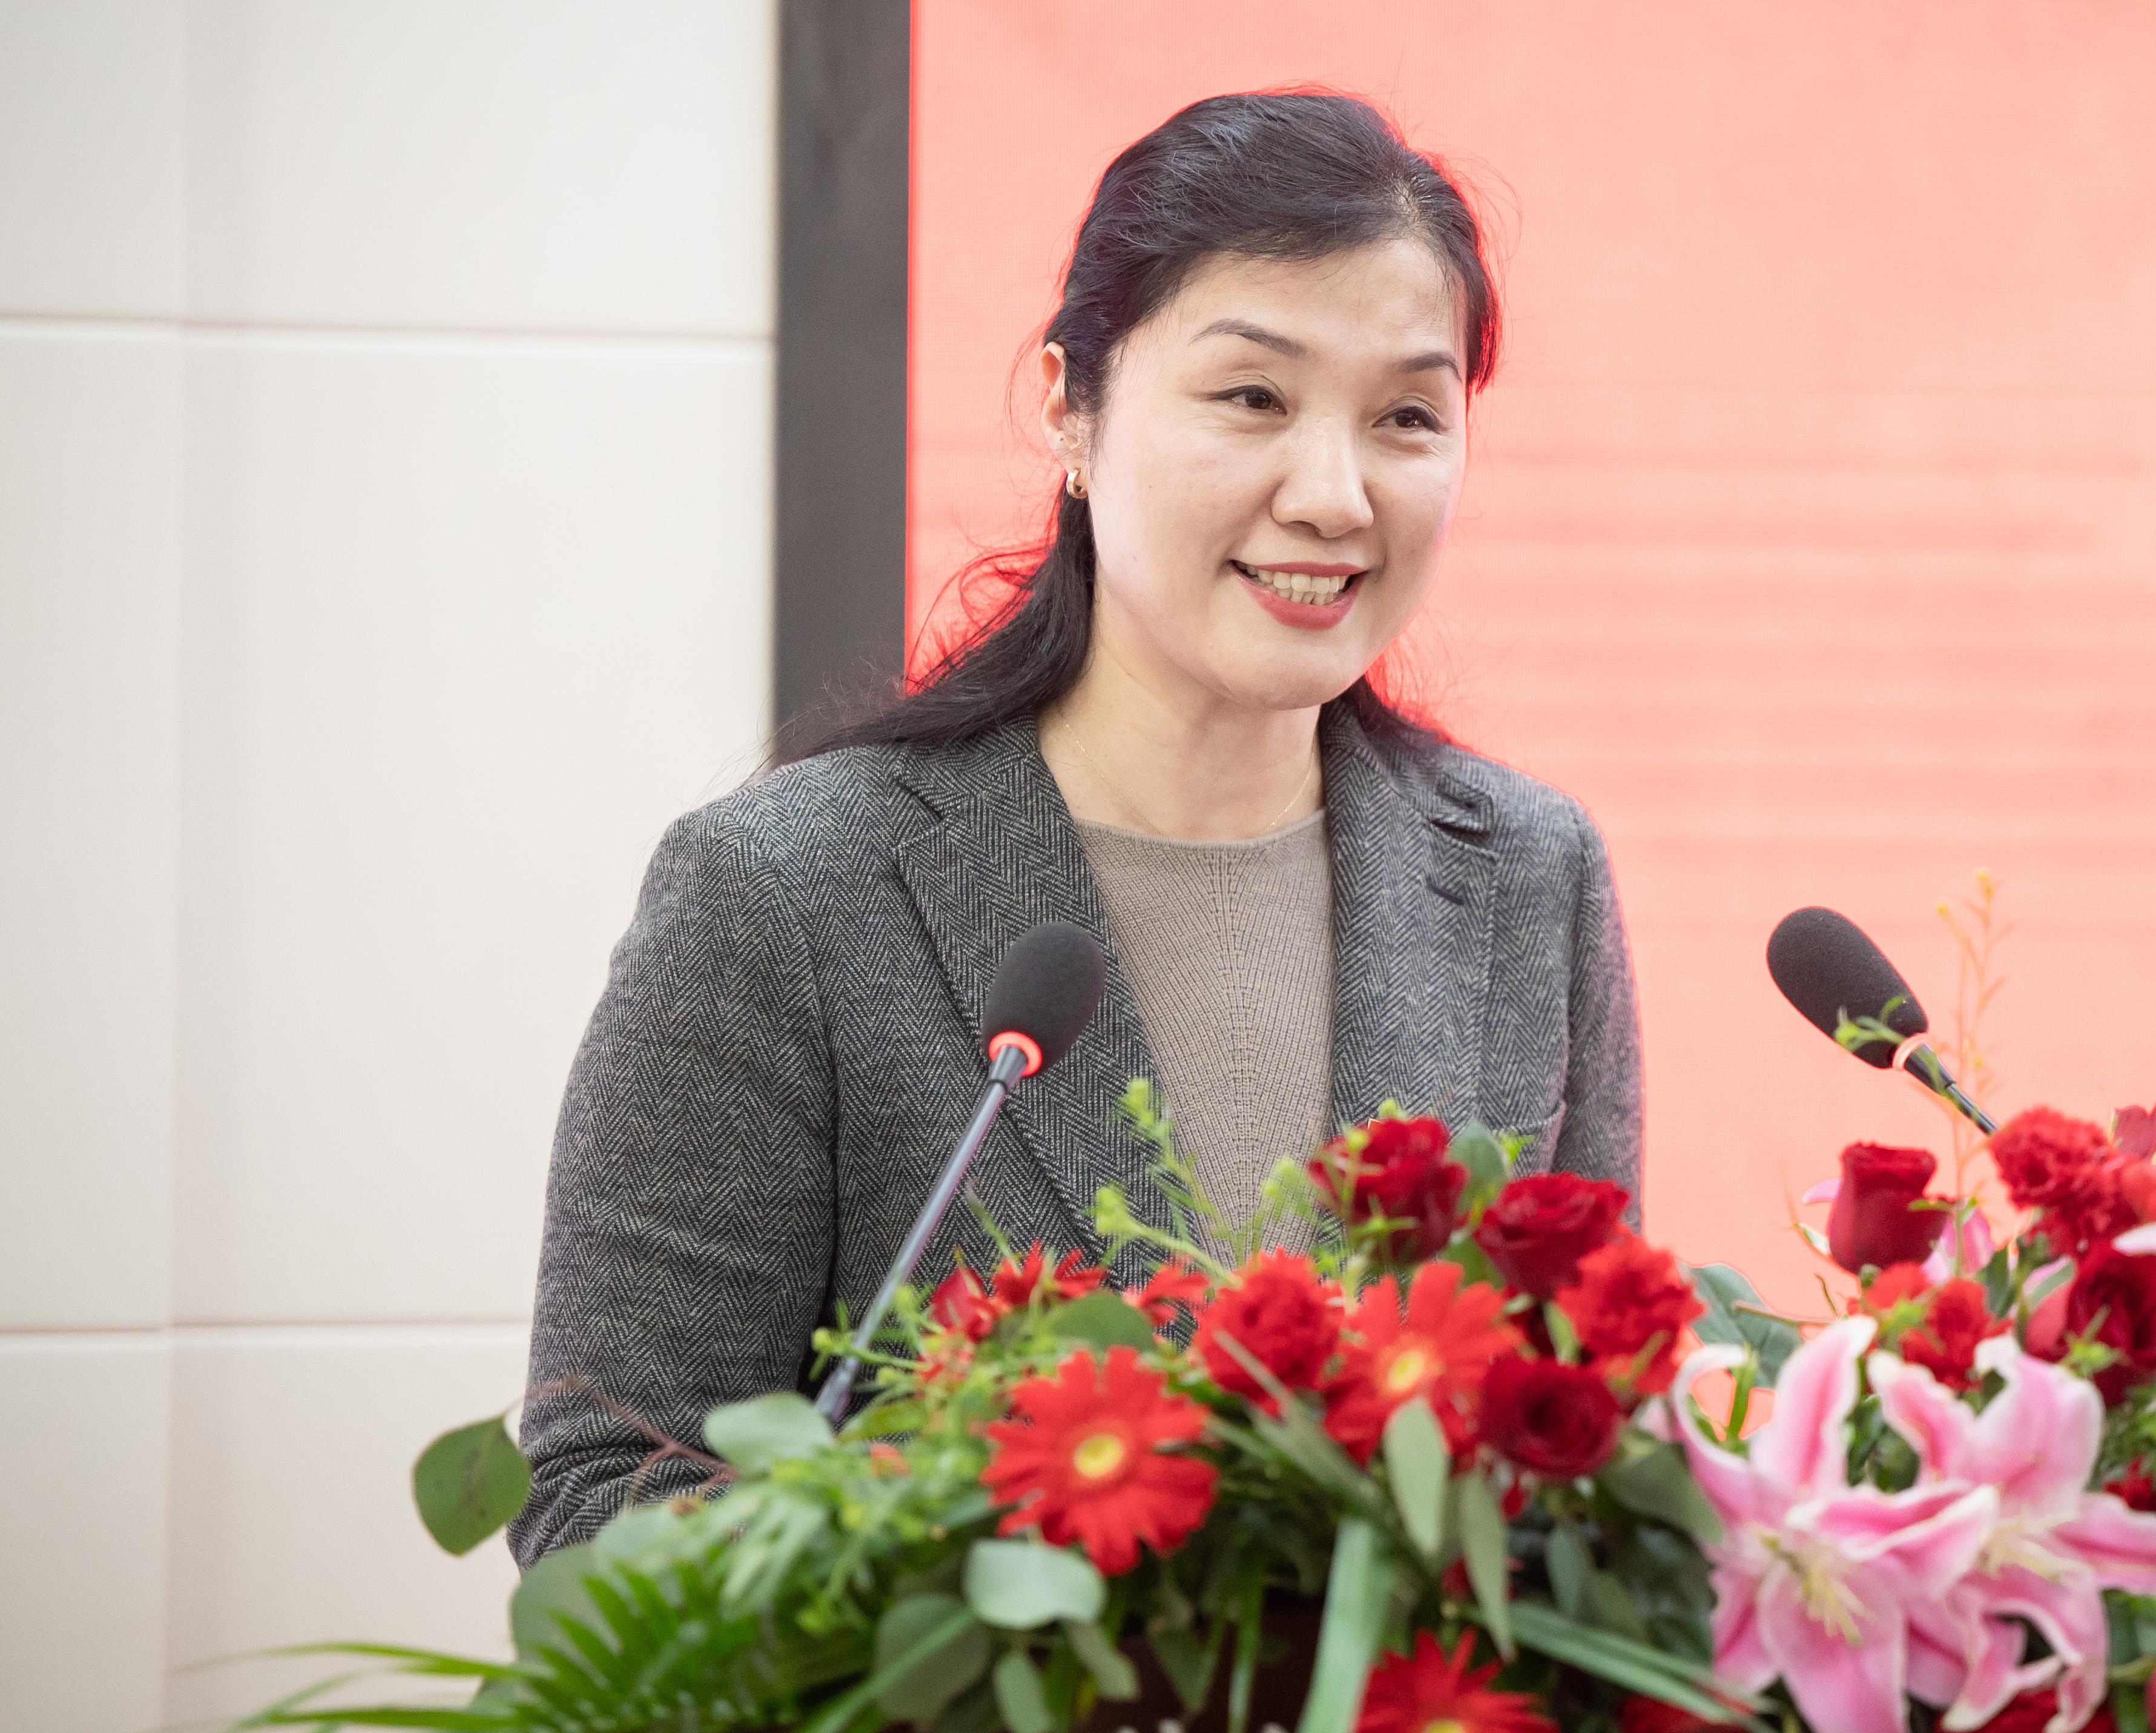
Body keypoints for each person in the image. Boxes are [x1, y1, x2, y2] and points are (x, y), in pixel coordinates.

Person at [513, 91, 1644, 1559]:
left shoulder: (1532, 879)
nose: (1333, 494)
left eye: (1408, 418)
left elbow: (1585, 1431)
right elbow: (602, 1500)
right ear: (1070, 406)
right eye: (1253, 397)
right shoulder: (789, 892)